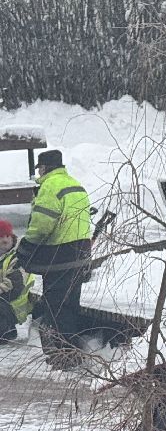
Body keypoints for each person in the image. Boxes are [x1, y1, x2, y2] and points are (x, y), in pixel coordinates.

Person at [16, 149, 91, 365]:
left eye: (39, 168)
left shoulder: (50, 186)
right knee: (70, 304)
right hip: (81, 253)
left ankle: (62, 356)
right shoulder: (76, 184)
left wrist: (26, 247)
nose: (38, 172)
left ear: (45, 167)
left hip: (59, 256)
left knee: (55, 307)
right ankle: (73, 353)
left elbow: (42, 225)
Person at [0, 220, 34, 342]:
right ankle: (7, 330)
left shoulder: (16, 257)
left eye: (7, 236)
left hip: (16, 298)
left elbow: (13, 284)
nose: (5, 240)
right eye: (1, 236)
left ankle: (4, 332)